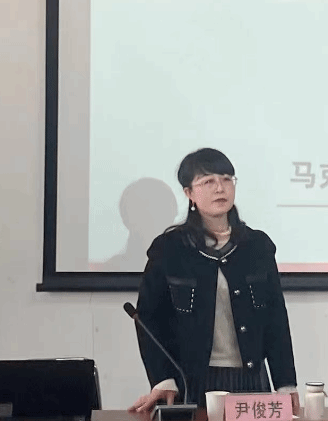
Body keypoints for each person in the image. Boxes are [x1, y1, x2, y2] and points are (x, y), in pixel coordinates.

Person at [128, 148, 299, 414]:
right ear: (189, 193)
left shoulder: (257, 246)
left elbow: (276, 318)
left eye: (227, 179)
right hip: (192, 381)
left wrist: (286, 383)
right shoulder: (170, 249)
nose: (220, 188)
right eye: (208, 181)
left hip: (251, 379)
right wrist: (162, 379)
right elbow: (149, 319)